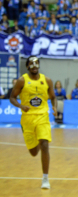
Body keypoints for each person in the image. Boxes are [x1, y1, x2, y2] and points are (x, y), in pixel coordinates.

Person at [9, 56, 57, 189]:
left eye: (36, 64)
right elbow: (12, 97)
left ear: (39, 66)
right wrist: (20, 106)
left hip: (42, 116)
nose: (34, 66)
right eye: (32, 64)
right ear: (28, 66)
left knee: (45, 144)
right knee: (33, 152)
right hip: (28, 119)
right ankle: (38, 142)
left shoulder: (47, 80)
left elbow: (53, 97)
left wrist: (54, 106)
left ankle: (45, 178)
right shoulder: (22, 80)